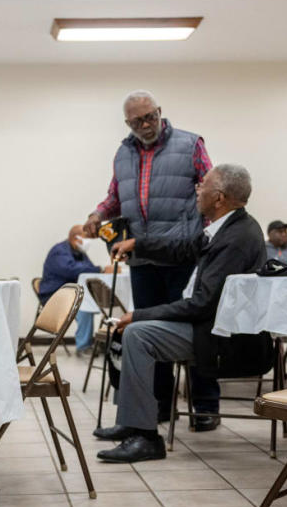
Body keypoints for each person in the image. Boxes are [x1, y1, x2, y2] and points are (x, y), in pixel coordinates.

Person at [94, 164, 267, 463]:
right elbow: (181, 248)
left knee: (137, 334)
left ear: (219, 198)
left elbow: (203, 304)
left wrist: (140, 315)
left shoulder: (236, 239)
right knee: (135, 331)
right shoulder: (225, 228)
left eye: (204, 186)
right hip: (207, 326)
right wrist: (139, 243)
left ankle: (146, 437)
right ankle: (134, 421)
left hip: (220, 336)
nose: (197, 190)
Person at [82, 89, 216, 426]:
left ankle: (205, 406)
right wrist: (98, 214)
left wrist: (211, 238)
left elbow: (211, 190)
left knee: (193, 329)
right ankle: (159, 405)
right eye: (137, 121)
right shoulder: (123, 153)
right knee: (148, 331)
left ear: (160, 111)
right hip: (141, 258)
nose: (145, 125)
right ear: (127, 123)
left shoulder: (190, 144)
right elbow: (115, 196)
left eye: (150, 117)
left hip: (183, 254)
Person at [39, 225, 111, 354]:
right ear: (75, 238)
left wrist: (101, 270)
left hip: (70, 294)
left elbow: (88, 268)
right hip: (54, 295)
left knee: (103, 301)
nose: (88, 241)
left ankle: (108, 341)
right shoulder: (59, 251)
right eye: (86, 238)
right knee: (83, 307)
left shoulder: (79, 252)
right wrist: (101, 269)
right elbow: (70, 270)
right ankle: (83, 346)